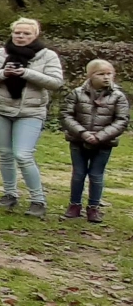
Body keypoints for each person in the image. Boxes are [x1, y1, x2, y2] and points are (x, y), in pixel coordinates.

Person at [0, 17, 64, 217]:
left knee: (23, 154)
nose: (21, 37)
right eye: (18, 33)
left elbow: (56, 82)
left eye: (26, 34)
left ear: (35, 35)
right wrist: (2, 73)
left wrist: (27, 73)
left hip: (31, 111)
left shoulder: (47, 56)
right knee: (5, 153)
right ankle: (9, 194)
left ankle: (38, 200)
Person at [61, 59, 128, 223]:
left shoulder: (118, 96)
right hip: (78, 140)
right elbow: (66, 115)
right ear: (90, 75)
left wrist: (100, 136)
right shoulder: (76, 93)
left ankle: (93, 208)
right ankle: (74, 205)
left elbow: (121, 120)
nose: (106, 77)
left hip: (104, 143)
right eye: (101, 74)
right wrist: (83, 133)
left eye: (109, 74)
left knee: (96, 175)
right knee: (78, 174)